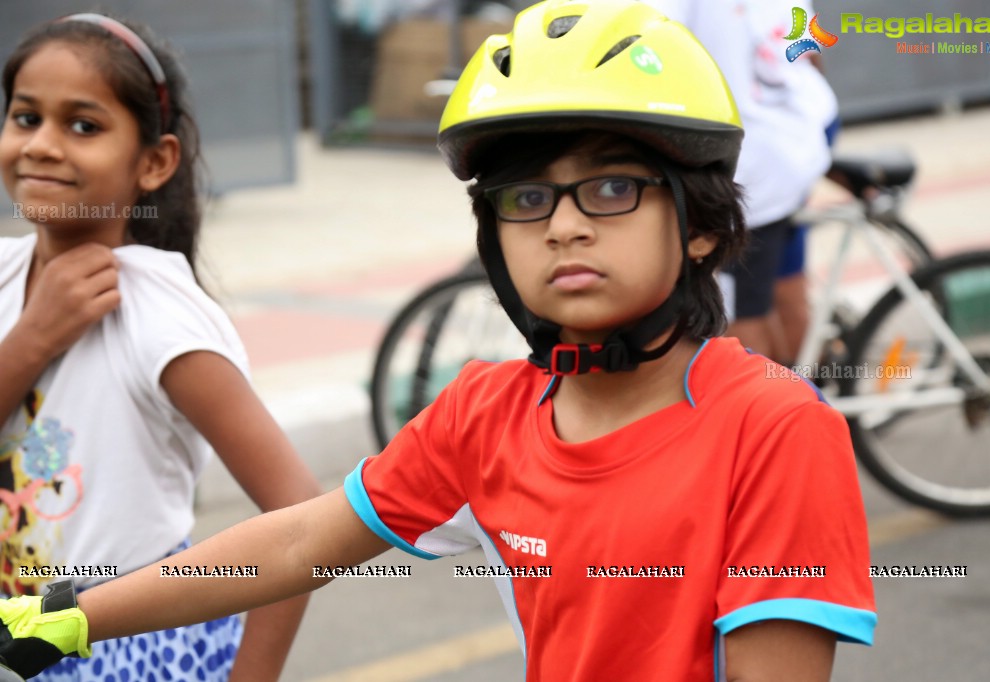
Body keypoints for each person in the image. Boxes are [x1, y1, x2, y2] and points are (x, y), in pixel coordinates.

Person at [0, 2, 875, 680]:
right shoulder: (485, 415)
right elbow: (300, 541)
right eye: (527, 199)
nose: (564, 226)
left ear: (698, 224)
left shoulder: (773, 428)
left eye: (611, 188)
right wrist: (75, 614)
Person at [0, 13, 321, 681]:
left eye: (83, 125)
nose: (41, 145)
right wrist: (32, 339)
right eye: (26, 117)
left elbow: (302, 521)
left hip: (131, 650)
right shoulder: (6, 278)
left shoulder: (158, 321)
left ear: (153, 162)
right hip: (28, 644)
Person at [645, 0, 841, 365]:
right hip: (801, 124)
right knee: (782, 283)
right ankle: (813, 395)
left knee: (742, 314)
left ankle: (777, 416)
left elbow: (646, 53)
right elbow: (807, 43)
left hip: (754, 156)